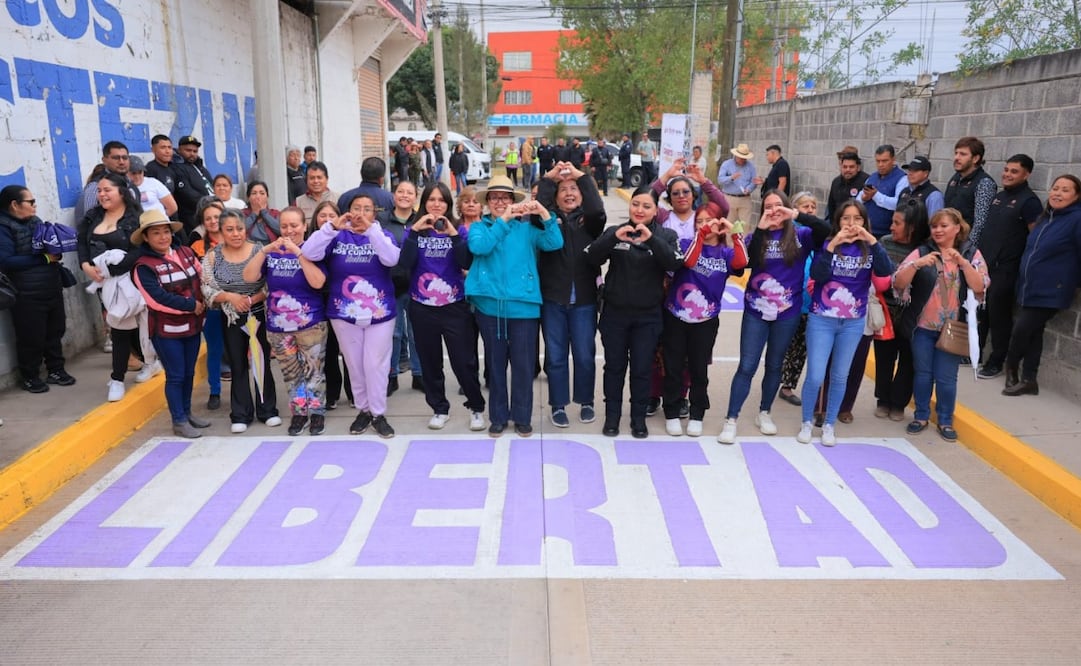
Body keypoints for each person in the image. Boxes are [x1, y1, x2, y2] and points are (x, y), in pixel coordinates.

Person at [719, 190, 831, 445]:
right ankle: (731, 419)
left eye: (778, 205)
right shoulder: (756, 235)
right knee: (747, 365)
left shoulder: (801, 235)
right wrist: (760, 228)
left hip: (787, 313)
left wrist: (795, 215)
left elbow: (826, 230)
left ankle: (764, 412)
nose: (773, 210)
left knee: (774, 365)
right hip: (755, 311)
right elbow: (746, 263)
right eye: (768, 206)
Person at [466, 175, 563, 437]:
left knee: (522, 367)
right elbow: (480, 247)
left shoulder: (527, 229)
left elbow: (555, 243)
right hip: (490, 308)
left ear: (513, 200)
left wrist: (543, 212)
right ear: (487, 202)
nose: (500, 201)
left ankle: (522, 416)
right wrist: (504, 221)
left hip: (524, 307)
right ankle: (497, 417)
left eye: (505, 197)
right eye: (495, 197)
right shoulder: (479, 228)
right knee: (496, 367)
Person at [584, 185, 682, 438]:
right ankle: (612, 419)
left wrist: (650, 239)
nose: (639, 210)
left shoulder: (666, 235)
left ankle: (638, 420)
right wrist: (615, 237)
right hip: (615, 315)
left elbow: (673, 262)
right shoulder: (615, 232)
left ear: (656, 210)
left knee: (641, 369)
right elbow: (592, 257)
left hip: (648, 317)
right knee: (614, 368)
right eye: (635, 204)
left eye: (646, 206)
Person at [302, 192, 401, 438]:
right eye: (357, 208)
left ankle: (378, 413)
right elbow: (310, 253)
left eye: (367, 209)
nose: (361, 213)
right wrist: (330, 227)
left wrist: (371, 231)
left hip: (380, 312)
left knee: (375, 364)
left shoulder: (382, 234)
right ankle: (363, 410)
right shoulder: (337, 236)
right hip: (343, 312)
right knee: (355, 365)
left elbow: (391, 259)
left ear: (374, 213)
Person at [800, 201, 892, 444]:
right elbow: (817, 275)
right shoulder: (827, 244)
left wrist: (872, 241)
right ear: (838, 221)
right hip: (822, 319)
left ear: (865, 222)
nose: (851, 224)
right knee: (816, 375)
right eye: (846, 219)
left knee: (841, 375)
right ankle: (807, 422)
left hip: (852, 322)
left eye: (857, 219)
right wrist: (832, 246)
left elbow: (885, 272)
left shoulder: (870, 248)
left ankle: (829, 424)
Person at [893, 208, 989, 441]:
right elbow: (898, 282)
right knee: (923, 374)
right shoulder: (922, 251)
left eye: (944, 226)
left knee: (947, 378)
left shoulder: (971, 253)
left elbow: (980, 287)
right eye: (935, 226)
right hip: (923, 326)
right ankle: (921, 416)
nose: (938, 230)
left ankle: (946, 420)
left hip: (953, 329)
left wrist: (964, 264)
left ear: (958, 228)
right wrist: (916, 265)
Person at [399, 182, 487, 431]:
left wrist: (453, 234)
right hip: (421, 307)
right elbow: (404, 262)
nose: (436, 204)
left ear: (448, 204)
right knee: (430, 362)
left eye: (442, 200)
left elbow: (466, 261)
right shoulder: (413, 231)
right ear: (424, 202)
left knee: (463, 361)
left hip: (454, 306)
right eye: (431, 199)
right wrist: (415, 231)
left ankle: (476, 407)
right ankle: (439, 408)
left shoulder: (458, 229)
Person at [662, 204, 747, 437]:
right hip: (676, 316)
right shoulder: (685, 245)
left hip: (706, 320)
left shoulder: (725, 253)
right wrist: (699, 235)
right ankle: (671, 409)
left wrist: (734, 232)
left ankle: (697, 412)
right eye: (699, 221)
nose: (704, 225)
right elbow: (688, 263)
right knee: (673, 366)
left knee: (699, 369)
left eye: (709, 221)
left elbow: (741, 262)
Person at [242, 206, 329, 436]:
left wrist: (298, 253)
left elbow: (318, 282)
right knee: (291, 373)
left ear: (303, 226)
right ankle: (299, 413)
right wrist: (265, 251)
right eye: (284, 226)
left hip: (310, 324)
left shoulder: (312, 250)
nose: (289, 230)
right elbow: (249, 277)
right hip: (279, 327)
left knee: (314, 371)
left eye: (294, 225)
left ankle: (317, 413)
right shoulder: (270, 253)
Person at [537, 161, 606, 428]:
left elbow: (598, 210)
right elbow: (536, 214)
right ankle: (558, 405)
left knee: (584, 354)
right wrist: (548, 179)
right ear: (554, 196)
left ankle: (586, 401)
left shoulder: (588, 222)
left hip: (585, 301)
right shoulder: (546, 221)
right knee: (555, 356)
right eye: (563, 189)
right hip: (553, 299)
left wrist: (582, 176)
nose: (569, 193)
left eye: (574, 189)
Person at [201, 209, 281, 433]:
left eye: (239, 229)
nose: (236, 234)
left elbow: (271, 282)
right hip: (231, 316)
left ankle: (267, 410)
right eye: (230, 230)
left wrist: (253, 298)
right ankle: (240, 413)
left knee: (261, 360)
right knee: (237, 364)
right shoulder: (213, 256)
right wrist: (230, 297)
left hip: (258, 313)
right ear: (221, 231)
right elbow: (206, 287)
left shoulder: (258, 250)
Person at [131, 210, 209, 439]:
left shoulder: (185, 252)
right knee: (175, 375)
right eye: (156, 233)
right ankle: (178, 420)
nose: (163, 237)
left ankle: (187, 413)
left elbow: (203, 277)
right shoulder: (143, 266)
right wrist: (191, 305)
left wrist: (208, 299)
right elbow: (156, 299)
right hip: (166, 331)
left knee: (188, 373)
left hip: (193, 327)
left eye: (166, 231)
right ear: (146, 237)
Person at [1003, 175, 1081, 396]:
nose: (1058, 193)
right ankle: (1029, 379)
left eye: (1065, 190)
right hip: (1029, 286)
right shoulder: (1045, 218)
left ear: (1076, 196)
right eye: (1055, 188)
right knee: (1034, 333)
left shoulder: (1076, 219)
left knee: (1021, 329)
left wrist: (1069, 280)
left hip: (1052, 289)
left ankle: (1011, 367)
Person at [77, 172, 150, 403]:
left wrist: (115, 269)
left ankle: (117, 379)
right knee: (122, 327)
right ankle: (149, 362)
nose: (102, 194)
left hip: (131, 280)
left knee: (125, 328)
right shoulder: (92, 216)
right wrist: (86, 266)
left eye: (107, 189)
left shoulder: (135, 217)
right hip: (104, 284)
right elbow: (81, 242)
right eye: (99, 190)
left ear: (121, 191)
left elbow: (142, 248)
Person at [0, 185, 76, 393]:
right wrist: (43, 258)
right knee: (31, 336)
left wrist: (57, 248)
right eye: (30, 202)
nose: (34, 206)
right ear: (15, 205)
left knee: (55, 331)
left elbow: (48, 248)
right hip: (26, 293)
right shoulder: (3, 227)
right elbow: (6, 261)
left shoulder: (36, 221)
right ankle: (30, 376)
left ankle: (56, 370)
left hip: (51, 286)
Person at [975, 154, 1042, 380]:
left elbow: (1036, 237)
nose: (1007, 174)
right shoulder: (999, 197)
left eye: (1014, 171)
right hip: (985, 267)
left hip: (1007, 269)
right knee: (981, 312)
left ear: (1026, 174)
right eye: (1006, 170)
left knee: (999, 317)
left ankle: (996, 361)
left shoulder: (1029, 202)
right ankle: (974, 355)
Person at [873, 199, 930, 422]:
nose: (891, 227)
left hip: (913, 314)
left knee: (908, 360)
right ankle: (883, 400)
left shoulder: (924, 250)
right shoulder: (885, 243)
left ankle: (899, 403)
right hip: (885, 311)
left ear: (912, 227)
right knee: (884, 358)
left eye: (897, 223)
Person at [378, 180, 423, 395]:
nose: (404, 195)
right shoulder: (383, 220)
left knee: (416, 333)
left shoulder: (421, 219)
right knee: (393, 334)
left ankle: (419, 374)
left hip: (417, 285)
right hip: (390, 284)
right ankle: (391, 375)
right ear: (393, 195)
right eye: (400, 191)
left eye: (409, 192)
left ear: (415, 197)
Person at [777, 191, 820, 407]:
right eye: (805, 207)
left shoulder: (818, 235)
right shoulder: (789, 235)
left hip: (810, 303)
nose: (810, 210)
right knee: (784, 344)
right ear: (794, 210)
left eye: (813, 206)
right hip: (789, 300)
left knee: (799, 347)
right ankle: (775, 377)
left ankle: (787, 385)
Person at [309, 201, 352, 409]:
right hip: (319, 298)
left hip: (342, 298)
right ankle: (332, 394)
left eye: (331, 216)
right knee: (329, 349)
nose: (327, 220)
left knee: (349, 349)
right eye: (322, 215)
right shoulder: (311, 241)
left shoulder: (345, 238)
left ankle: (354, 394)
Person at [190, 199, 227, 409]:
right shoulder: (196, 247)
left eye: (216, 217)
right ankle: (215, 391)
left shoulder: (237, 240)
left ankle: (246, 392)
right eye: (208, 218)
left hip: (237, 305)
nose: (213, 221)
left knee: (241, 351)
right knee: (214, 349)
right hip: (212, 307)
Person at [943, 136, 996, 247]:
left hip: (964, 247)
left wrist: (968, 249)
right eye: (956, 153)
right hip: (948, 242)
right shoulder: (955, 178)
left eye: (962, 154)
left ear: (975, 158)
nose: (957, 157)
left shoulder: (984, 183)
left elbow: (980, 223)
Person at [858, 144, 908, 238]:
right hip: (867, 230)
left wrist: (875, 195)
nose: (881, 165)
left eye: (884, 161)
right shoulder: (872, 177)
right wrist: (864, 198)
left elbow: (899, 204)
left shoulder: (902, 179)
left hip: (886, 234)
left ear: (893, 160)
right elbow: (858, 199)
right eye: (878, 161)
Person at [172, 135, 214, 234]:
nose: (192, 154)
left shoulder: (200, 167)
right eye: (188, 150)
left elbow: (212, 187)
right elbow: (187, 193)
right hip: (191, 217)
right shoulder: (177, 168)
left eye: (195, 151)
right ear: (180, 150)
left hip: (210, 214)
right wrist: (208, 204)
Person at [717, 143, 758, 224]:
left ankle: (744, 237)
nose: (743, 160)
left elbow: (754, 181)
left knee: (745, 225)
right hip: (729, 198)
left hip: (745, 199)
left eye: (745, 158)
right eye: (741, 158)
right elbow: (720, 180)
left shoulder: (751, 166)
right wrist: (731, 177)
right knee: (728, 224)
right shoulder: (726, 164)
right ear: (736, 155)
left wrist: (749, 188)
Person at [826, 147, 869, 219]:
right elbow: (831, 207)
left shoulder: (866, 181)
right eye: (845, 167)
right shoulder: (836, 182)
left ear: (858, 167)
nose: (847, 170)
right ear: (841, 167)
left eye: (851, 167)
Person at [243, 181, 281, 246]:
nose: (258, 196)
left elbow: (280, 230)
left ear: (267, 197)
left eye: (262, 193)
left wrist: (264, 213)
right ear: (248, 198)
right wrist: (254, 214)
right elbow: (240, 229)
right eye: (254, 193)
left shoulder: (275, 213)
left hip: (271, 250)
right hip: (249, 251)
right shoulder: (242, 213)